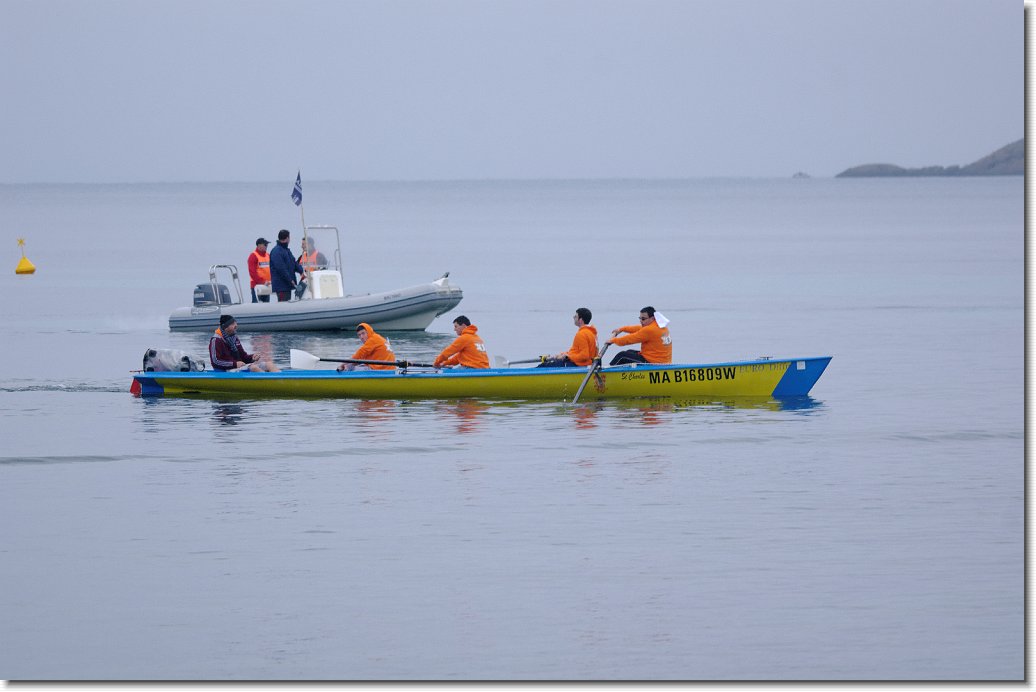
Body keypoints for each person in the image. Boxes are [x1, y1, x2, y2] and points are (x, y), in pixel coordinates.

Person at [209, 314, 279, 372]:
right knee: (253, 368)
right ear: (226, 327)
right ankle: (269, 384)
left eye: (235, 323)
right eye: (233, 324)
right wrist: (235, 364)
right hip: (225, 370)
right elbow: (215, 361)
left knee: (269, 364)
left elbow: (243, 357)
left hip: (238, 367)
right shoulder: (216, 340)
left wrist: (252, 358)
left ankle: (280, 382)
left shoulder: (234, 338)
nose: (236, 325)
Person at [607, 306, 672, 365]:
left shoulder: (649, 330)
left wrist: (613, 340)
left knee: (622, 355)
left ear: (652, 318)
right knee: (629, 352)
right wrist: (622, 329)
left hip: (653, 362)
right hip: (664, 361)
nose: (640, 321)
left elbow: (629, 339)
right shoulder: (660, 325)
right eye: (640, 318)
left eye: (643, 319)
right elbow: (639, 328)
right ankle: (625, 375)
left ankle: (607, 374)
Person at [269, 229, 305, 302]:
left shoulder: (286, 250)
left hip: (287, 285)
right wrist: (290, 280)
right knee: (283, 303)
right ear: (287, 238)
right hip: (281, 286)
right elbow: (281, 269)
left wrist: (301, 271)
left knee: (287, 301)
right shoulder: (277, 251)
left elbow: (294, 263)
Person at [247, 237, 272, 303]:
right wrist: (262, 282)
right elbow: (252, 273)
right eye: (265, 244)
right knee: (257, 305)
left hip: (267, 286)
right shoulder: (253, 256)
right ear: (259, 246)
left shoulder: (268, 255)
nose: (267, 246)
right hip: (257, 286)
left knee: (266, 306)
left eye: (267, 245)